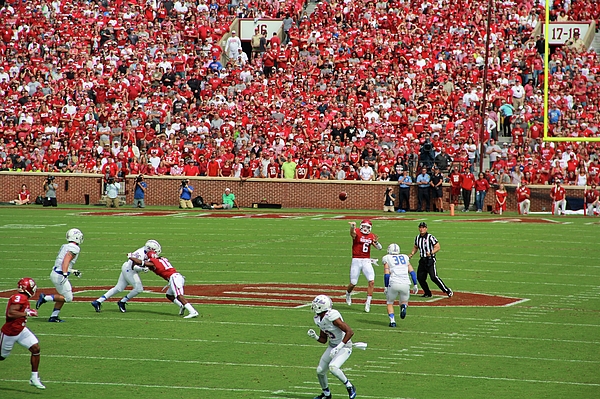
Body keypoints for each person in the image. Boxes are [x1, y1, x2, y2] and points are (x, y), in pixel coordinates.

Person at [306, 295, 357, 399]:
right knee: (320, 371)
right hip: (332, 346)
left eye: (316, 305)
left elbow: (350, 332)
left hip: (345, 346)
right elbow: (323, 339)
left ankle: (350, 387)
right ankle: (326, 394)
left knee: (333, 367)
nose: (314, 306)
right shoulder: (318, 318)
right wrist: (315, 337)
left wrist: (339, 347)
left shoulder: (332, 315)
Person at [91, 240, 161, 313]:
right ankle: (122, 302)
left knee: (118, 288)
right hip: (130, 270)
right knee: (139, 289)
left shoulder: (145, 251)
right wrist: (142, 269)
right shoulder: (141, 253)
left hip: (127, 267)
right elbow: (134, 266)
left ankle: (98, 301)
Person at [1, 277, 45, 389]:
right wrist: (28, 313)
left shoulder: (22, 297)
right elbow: (11, 313)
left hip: (21, 330)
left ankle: (34, 377)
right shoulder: (20, 298)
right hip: (10, 332)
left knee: (36, 348)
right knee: (1, 357)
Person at [36, 228, 84, 322]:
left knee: (62, 295)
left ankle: (54, 316)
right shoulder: (74, 248)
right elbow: (66, 261)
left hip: (55, 272)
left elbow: (61, 262)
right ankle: (45, 298)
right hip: (60, 275)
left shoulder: (66, 246)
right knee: (68, 298)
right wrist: (65, 274)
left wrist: (72, 271)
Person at [143, 251, 199, 318]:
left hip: (174, 278)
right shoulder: (162, 259)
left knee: (179, 296)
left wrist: (132, 258)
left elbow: (148, 264)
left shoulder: (154, 261)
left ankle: (193, 311)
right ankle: (181, 305)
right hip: (176, 277)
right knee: (169, 295)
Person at [345, 220, 382, 312]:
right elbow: (352, 234)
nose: (366, 229)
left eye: (368, 227)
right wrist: (352, 227)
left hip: (366, 260)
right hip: (356, 260)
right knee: (353, 283)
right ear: (361, 226)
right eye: (364, 227)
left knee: (371, 281)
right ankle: (348, 294)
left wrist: (376, 242)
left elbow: (379, 248)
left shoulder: (371, 236)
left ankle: (368, 303)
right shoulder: (356, 231)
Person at [408, 222, 452, 298]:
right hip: (422, 260)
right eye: (420, 227)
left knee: (434, 277)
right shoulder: (417, 237)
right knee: (420, 278)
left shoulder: (430, 237)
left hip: (430, 260)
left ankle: (447, 290)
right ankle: (427, 293)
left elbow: (437, 246)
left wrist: (431, 252)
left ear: (426, 228)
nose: (422, 229)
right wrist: (412, 254)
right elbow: (416, 247)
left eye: (423, 227)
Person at [382, 244, 418, 327]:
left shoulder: (387, 258)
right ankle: (403, 307)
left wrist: (386, 286)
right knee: (404, 301)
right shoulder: (405, 257)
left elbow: (387, 274)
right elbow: (412, 272)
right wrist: (415, 284)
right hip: (406, 283)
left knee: (390, 302)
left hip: (394, 283)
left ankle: (392, 321)